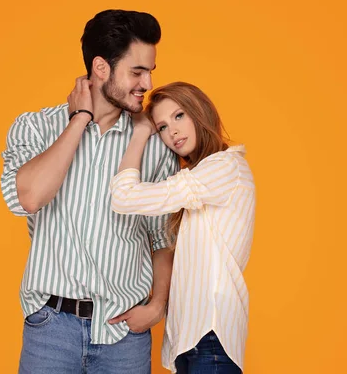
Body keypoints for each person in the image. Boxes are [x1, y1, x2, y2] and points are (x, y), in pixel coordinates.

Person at [0, 9, 179, 374]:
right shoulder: (35, 127)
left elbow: (162, 236)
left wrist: (157, 306)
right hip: (50, 328)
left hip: (123, 334)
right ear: (100, 68)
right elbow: (29, 197)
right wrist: (79, 119)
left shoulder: (154, 143)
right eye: (136, 71)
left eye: (149, 71)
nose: (146, 83)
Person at [107, 82, 256, 373]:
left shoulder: (224, 167)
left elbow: (124, 197)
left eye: (179, 116)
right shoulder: (202, 176)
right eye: (161, 126)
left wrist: (139, 135)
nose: (172, 132)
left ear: (200, 112)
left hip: (212, 336)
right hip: (193, 340)